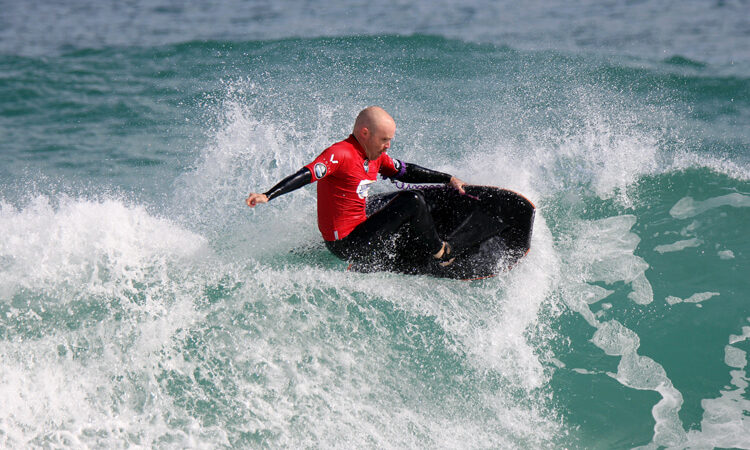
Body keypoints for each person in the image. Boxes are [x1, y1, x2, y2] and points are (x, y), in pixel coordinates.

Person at [245, 106, 467, 268]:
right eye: (384, 140)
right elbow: (307, 173)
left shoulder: (374, 156)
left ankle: (413, 244)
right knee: (413, 201)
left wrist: (448, 179)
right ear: (365, 133)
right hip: (346, 245)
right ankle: (442, 254)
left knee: (396, 203)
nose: (388, 146)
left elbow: (407, 171)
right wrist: (268, 194)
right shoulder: (340, 154)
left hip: (360, 230)